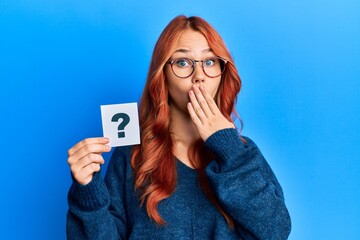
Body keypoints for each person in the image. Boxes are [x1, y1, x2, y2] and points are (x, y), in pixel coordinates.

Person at [66, 15, 291, 240]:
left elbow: (275, 231)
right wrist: (88, 192)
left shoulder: (240, 152)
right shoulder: (131, 156)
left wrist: (227, 147)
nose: (199, 76)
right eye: (183, 62)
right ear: (162, 75)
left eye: (210, 61)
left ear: (222, 74)